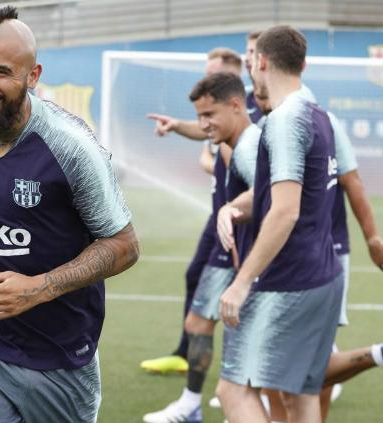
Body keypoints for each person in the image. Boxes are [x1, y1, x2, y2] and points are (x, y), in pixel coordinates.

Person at [0, 7, 139, 422]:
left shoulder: (70, 146)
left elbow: (125, 246)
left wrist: (40, 287)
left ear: (33, 76)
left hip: (57, 354)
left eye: (0, 71)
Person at [215, 26, 343, 423]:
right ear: (302, 65)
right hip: (322, 275)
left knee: (233, 390)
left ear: (261, 63)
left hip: (289, 281)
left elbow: (285, 210)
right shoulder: (316, 113)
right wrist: (234, 206)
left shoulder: (285, 120)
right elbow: (281, 194)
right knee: (298, 397)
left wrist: (240, 283)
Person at [143, 72, 260, 423]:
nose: (204, 124)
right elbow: (208, 131)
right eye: (200, 116)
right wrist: (180, 125)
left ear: (236, 106)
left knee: (249, 338)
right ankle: (192, 403)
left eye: (209, 115)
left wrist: (231, 211)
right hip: (227, 249)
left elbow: (270, 198)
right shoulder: (230, 137)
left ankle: (247, 406)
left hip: (248, 256)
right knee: (198, 322)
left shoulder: (251, 145)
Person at [140, 47, 245, 375]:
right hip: (219, 215)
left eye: (212, 72)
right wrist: (175, 126)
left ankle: (244, 375)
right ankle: (187, 358)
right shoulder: (215, 115)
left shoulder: (251, 112)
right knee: (196, 280)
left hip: (238, 219)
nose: (206, 77)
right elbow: (205, 136)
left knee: (244, 296)